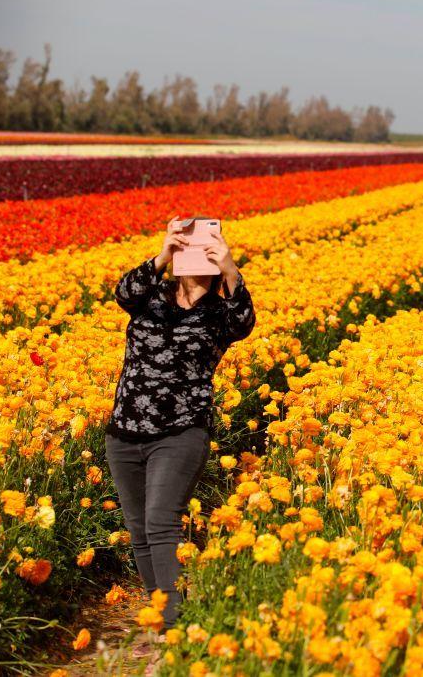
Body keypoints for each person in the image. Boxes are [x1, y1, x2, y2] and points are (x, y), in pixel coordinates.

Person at [105, 218, 255, 629]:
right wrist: (163, 253)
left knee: (160, 524)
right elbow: (122, 291)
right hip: (124, 431)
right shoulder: (150, 297)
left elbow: (244, 321)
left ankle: (173, 627)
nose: (194, 251)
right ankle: (166, 614)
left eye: (203, 245)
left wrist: (229, 268)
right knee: (139, 531)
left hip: (181, 431)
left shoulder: (219, 313)